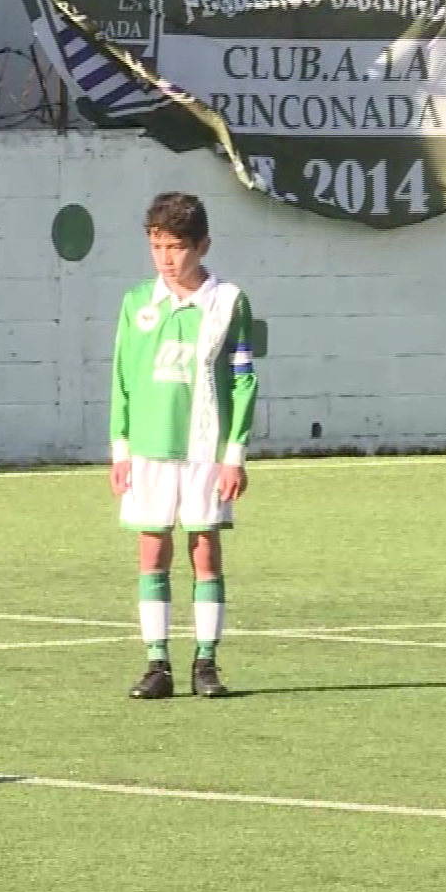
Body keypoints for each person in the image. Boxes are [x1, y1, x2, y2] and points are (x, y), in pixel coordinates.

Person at [108, 192, 257, 699]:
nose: (166, 259)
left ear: (202, 245)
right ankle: (157, 666)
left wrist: (233, 453)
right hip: (149, 449)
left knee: (205, 551)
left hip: (203, 451)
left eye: (176, 247)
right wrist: (120, 449)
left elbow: (243, 381)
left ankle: (206, 663)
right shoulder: (136, 303)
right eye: (156, 246)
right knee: (152, 550)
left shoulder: (228, 301)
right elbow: (121, 378)